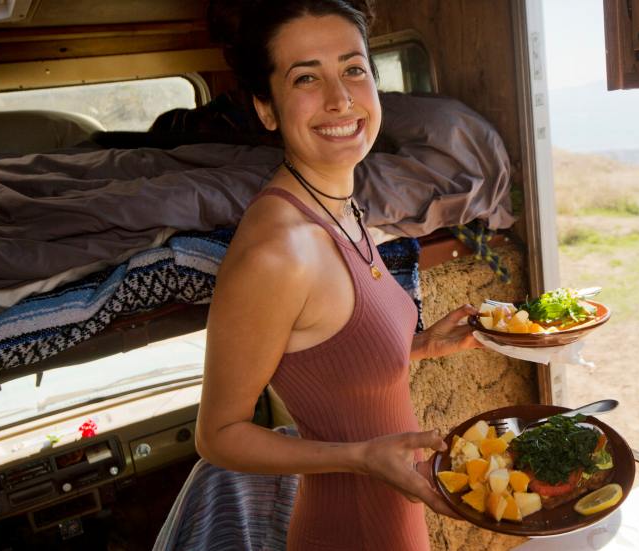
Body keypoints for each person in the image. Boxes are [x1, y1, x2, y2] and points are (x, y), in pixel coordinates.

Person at [194, 1, 482, 549]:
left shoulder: (342, 202)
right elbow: (219, 436)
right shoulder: (279, 252)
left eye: (353, 69)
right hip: (348, 527)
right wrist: (360, 459)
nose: (340, 99)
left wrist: (422, 345)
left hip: (394, 513)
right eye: (306, 77)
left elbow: (325, 355)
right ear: (267, 108)